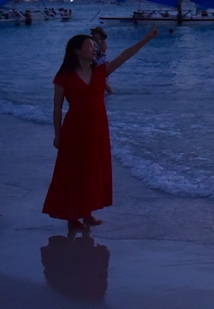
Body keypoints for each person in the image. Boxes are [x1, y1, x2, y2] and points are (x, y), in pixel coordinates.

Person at [43, 27, 159, 231]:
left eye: (94, 45)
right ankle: (72, 216)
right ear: (77, 51)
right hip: (74, 128)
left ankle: (87, 213)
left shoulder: (100, 71)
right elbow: (57, 107)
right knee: (73, 172)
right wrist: (57, 135)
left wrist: (146, 38)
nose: (94, 48)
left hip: (97, 128)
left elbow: (125, 55)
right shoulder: (64, 76)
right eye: (89, 45)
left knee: (92, 170)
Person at [90, 27, 114, 94]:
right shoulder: (91, 42)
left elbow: (103, 50)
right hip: (95, 62)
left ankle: (111, 93)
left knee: (102, 80)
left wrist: (98, 41)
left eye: (95, 34)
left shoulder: (102, 41)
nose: (94, 35)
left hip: (101, 61)